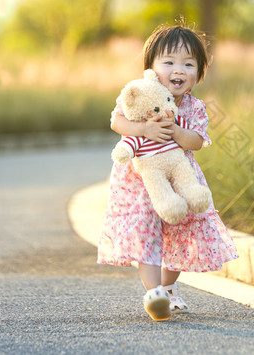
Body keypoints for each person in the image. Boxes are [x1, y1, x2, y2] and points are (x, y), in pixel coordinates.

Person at [98, 24, 238, 321]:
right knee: (144, 228)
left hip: (178, 177)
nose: (179, 70)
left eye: (189, 64)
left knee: (181, 227)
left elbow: (197, 142)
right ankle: (154, 293)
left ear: (199, 73)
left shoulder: (195, 107)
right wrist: (144, 129)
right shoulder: (137, 94)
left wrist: (175, 131)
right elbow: (116, 122)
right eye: (169, 62)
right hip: (138, 181)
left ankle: (168, 287)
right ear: (150, 69)